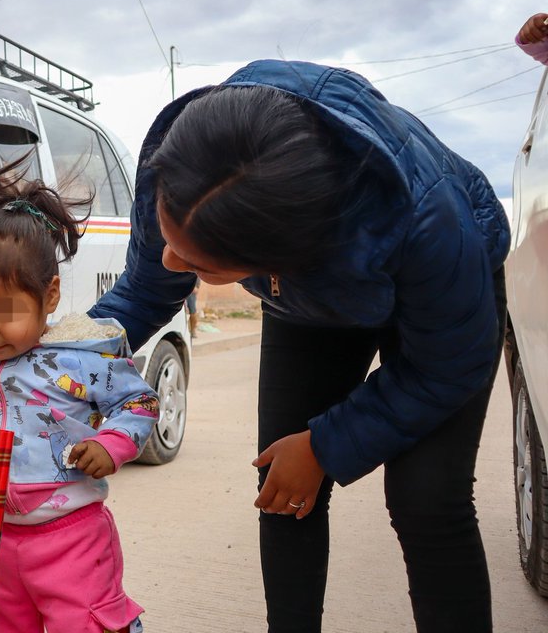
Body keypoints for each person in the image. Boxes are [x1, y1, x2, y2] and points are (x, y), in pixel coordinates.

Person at [91, 59, 509, 632]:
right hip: (310, 304)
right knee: (282, 485)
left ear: (278, 259)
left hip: (435, 307)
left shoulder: (432, 224)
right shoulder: (186, 162)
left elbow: (446, 369)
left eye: (197, 264)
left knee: (428, 501)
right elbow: (144, 289)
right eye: (171, 239)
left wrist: (325, 443)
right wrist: (65, 359)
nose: (171, 263)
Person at [0, 164, 156, 633]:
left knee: (85, 624)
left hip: (71, 537)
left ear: (50, 294)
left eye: (3, 311)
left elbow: (139, 404)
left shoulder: (80, 359)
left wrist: (111, 444)